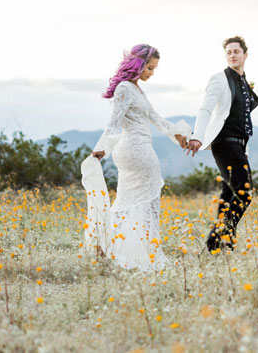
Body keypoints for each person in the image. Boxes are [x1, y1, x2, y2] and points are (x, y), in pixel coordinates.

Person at [81, 44, 190, 270]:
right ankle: (141, 254)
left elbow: (155, 117)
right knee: (146, 202)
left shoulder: (136, 89)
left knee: (126, 202)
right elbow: (114, 122)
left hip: (132, 150)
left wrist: (178, 135)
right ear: (138, 64)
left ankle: (115, 247)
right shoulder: (124, 88)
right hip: (136, 150)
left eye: (154, 69)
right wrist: (103, 149)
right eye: (150, 68)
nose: (152, 73)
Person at [185, 35, 258, 253]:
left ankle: (223, 245)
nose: (232, 55)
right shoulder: (219, 79)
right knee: (244, 192)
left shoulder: (244, 82)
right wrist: (198, 136)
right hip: (223, 142)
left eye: (236, 51)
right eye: (229, 52)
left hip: (240, 144)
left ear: (245, 55)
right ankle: (216, 239)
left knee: (229, 194)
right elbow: (206, 109)